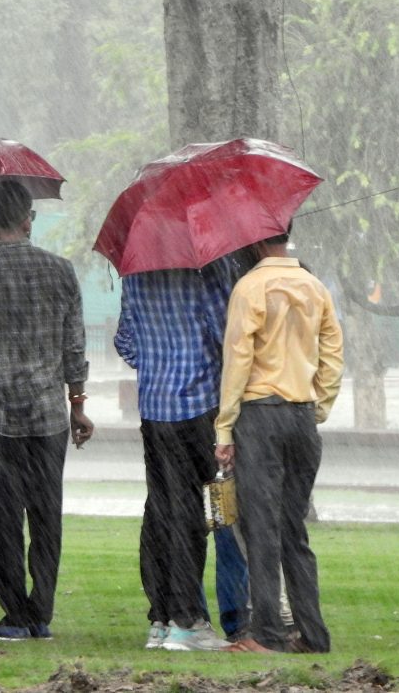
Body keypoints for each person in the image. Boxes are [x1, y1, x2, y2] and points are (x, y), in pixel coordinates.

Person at [0, 181, 94, 639]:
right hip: (48, 417)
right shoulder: (60, 271)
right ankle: (42, 610)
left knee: (3, 518)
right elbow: (74, 346)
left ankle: (16, 612)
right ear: (27, 220)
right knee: (46, 515)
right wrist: (77, 404)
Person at [214, 227, 344, 654]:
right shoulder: (314, 287)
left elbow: (238, 359)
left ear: (254, 243)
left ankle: (267, 633)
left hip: (260, 415)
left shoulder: (250, 287)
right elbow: (332, 354)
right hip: (302, 416)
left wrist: (224, 427)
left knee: (261, 529)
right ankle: (312, 633)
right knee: (293, 531)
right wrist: (318, 406)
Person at [114, 253, 246, 651]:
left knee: (161, 510)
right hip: (199, 404)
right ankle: (189, 621)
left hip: (154, 407)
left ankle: (161, 618)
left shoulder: (135, 268)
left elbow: (125, 342)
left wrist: (159, 362)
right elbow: (225, 334)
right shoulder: (208, 266)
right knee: (200, 513)